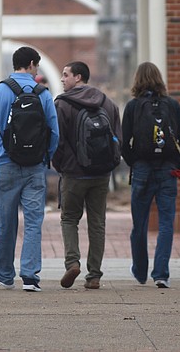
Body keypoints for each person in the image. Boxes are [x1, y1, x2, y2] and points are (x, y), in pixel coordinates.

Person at [0, 46, 59, 292]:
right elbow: (54, 133)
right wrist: (44, 157)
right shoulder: (43, 94)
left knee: (6, 223)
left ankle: (5, 274)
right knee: (34, 221)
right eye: (36, 65)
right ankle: (29, 276)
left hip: (6, 165)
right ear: (31, 63)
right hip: (35, 167)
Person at [52, 61, 122, 290]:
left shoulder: (62, 105)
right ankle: (94, 275)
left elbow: (57, 142)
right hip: (101, 174)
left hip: (74, 173)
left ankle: (72, 262)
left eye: (66, 75)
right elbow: (117, 139)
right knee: (97, 223)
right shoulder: (107, 103)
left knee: (70, 219)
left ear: (78, 77)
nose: (62, 79)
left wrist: (61, 165)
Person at [121, 62, 180, 288]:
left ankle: (140, 271)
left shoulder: (133, 107)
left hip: (142, 169)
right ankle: (161, 274)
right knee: (166, 223)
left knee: (139, 224)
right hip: (168, 169)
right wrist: (178, 163)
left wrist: (134, 161)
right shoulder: (173, 105)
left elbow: (124, 142)